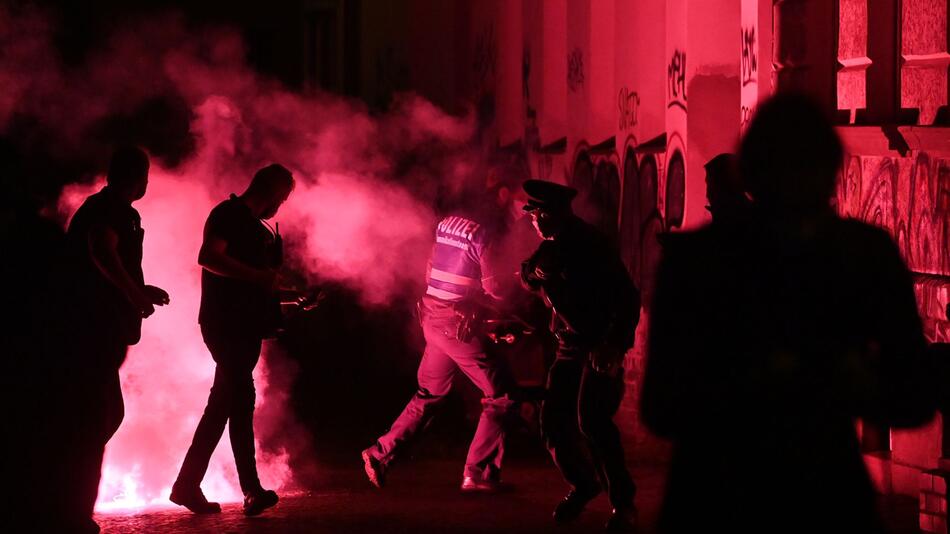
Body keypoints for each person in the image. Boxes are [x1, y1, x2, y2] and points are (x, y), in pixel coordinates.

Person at [642, 92, 937, 533]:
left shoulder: (694, 261)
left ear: (749, 172)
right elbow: (913, 398)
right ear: (831, 170)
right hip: (823, 498)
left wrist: (742, 382)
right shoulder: (863, 254)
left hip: (712, 499)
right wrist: (841, 379)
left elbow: (661, 409)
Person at [361, 178, 516, 493]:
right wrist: (519, 283)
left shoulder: (445, 226)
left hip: (432, 316)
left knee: (429, 394)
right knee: (502, 395)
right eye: (508, 200)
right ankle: (478, 474)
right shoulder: (481, 234)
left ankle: (379, 453)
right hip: (453, 323)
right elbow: (494, 289)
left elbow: (431, 272)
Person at [171, 164, 294, 516]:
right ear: (271, 192)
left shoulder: (253, 226)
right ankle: (248, 489)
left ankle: (188, 484)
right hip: (226, 326)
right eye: (282, 199)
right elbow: (208, 257)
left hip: (242, 326)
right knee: (238, 401)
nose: (280, 207)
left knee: (226, 405)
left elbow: (254, 285)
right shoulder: (227, 214)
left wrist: (293, 296)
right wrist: (259, 276)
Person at [520, 179, 641, 532]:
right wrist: (536, 274)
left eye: (535, 215)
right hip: (569, 346)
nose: (532, 222)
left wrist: (614, 344)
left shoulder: (589, 245)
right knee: (554, 421)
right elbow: (529, 271)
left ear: (548, 214)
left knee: (593, 421)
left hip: (596, 346)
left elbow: (626, 297)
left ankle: (624, 505)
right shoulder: (551, 245)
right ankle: (583, 484)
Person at [65, 145, 170, 529]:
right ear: (138, 177)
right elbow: (102, 252)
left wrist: (143, 289)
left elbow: (110, 261)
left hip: (97, 328)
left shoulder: (114, 210)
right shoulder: (111, 211)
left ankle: (70, 504)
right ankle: (72, 509)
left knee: (101, 416)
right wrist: (134, 294)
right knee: (98, 417)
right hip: (90, 329)